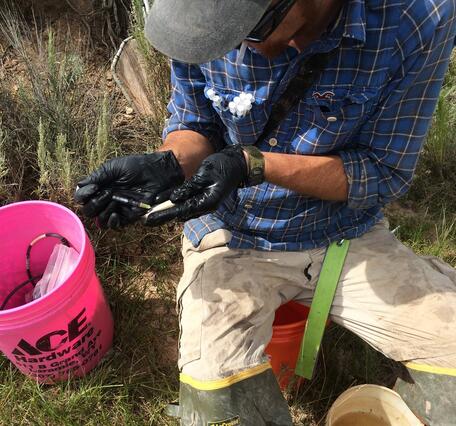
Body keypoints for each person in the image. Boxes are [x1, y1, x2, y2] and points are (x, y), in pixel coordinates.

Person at [75, 0, 456, 424]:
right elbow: (196, 125)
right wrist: (168, 162)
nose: (245, 50)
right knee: (217, 408)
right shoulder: (200, 19)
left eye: (250, 32)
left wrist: (254, 165)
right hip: (234, 235)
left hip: (345, 233)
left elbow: (383, 171)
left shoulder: (418, 18)